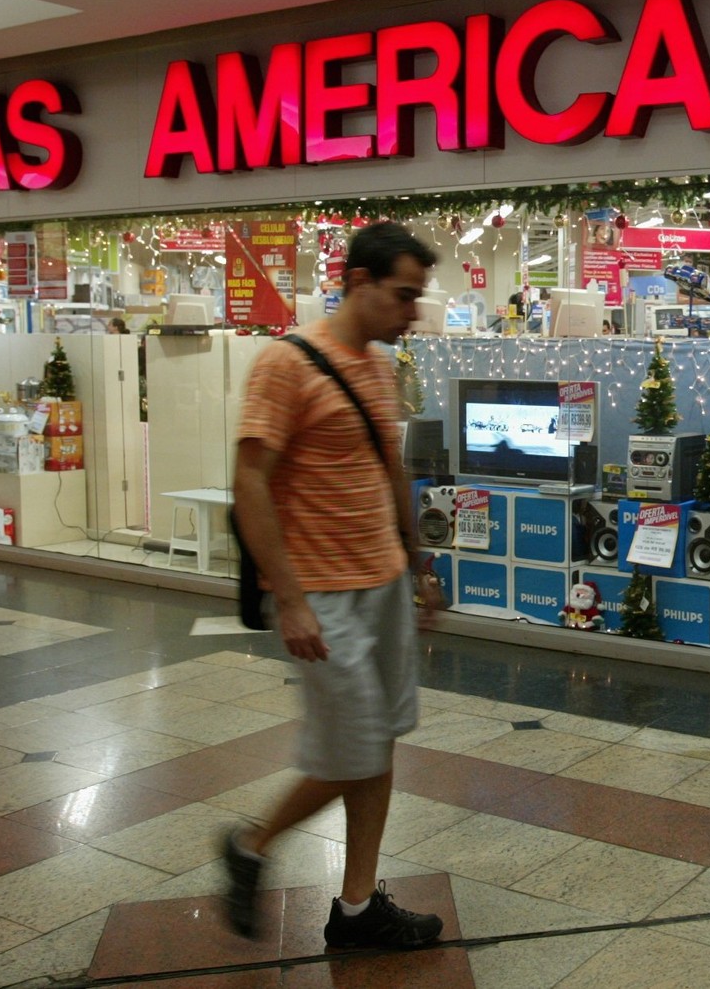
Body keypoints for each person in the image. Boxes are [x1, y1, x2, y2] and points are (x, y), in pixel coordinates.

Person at [223, 221, 446, 950]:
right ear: (358, 281)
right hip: (322, 590)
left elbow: (391, 468)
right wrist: (287, 596)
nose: (412, 312)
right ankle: (252, 845)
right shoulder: (285, 364)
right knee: (351, 750)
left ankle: (356, 907)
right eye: (404, 294)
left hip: (382, 580)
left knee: (377, 742)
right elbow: (250, 480)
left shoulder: (379, 366)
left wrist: (419, 561)